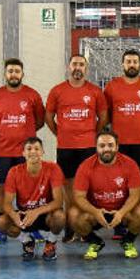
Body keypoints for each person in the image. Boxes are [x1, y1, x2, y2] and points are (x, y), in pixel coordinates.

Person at [0, 58, 45, 243]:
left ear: (22, 74)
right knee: (3, 190)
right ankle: (3, 227)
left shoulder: (32, 95)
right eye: (10, 71)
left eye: (17, 71)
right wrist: (4, 131)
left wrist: (24, 135)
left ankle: (33, 227)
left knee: (29, 191)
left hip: (26, 154)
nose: (13, 74)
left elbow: (39, 121)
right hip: (3, 152)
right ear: (5, 74)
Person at [45, 54, 108, 222]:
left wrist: (92, 133)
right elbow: (49, 117)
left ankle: (88, 220)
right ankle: (72, 223)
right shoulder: (57, 91)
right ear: (69, 67)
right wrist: (59, 133)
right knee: (68, 185)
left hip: (87, 146)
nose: (77, 68)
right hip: (65, 146)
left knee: (88, 185)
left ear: (86, 69)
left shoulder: (95, 91)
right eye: (74, 64)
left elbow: (103, 117)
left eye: (81, 65)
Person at [70, 130, 140, 260]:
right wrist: (95, 212)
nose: (106, 149)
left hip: (122, 212)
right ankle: (95, 242)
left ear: (117, 147)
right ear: (96, 147)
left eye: (110, 145)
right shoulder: (85, 166)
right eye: (102, 146)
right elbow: (79, 197)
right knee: (73, 214)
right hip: (96, 212)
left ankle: (128, 241)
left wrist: (121, 212)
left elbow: (136, 195)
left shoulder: (130, 164)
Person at [0, 137, 66, 261]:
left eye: (37, 148)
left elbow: (58, 201)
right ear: (23, 153)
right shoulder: (14, 172)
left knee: (60, 217)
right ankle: (27, 241)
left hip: (46, 214)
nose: (33, 151)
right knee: (1, 222)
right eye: (29, 149)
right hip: (25, 216)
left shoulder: (53, 168)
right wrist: (14, 214)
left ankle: (51, 242)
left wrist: (37, 211)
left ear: (43, 152)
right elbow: (6, 203)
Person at [104, 49, 140, 175]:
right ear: (123, 64)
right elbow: (107, 112)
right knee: (118, 175)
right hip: (119, 142)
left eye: (135, 62)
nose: (132, 65)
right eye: (128, 61)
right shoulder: (111, 86)